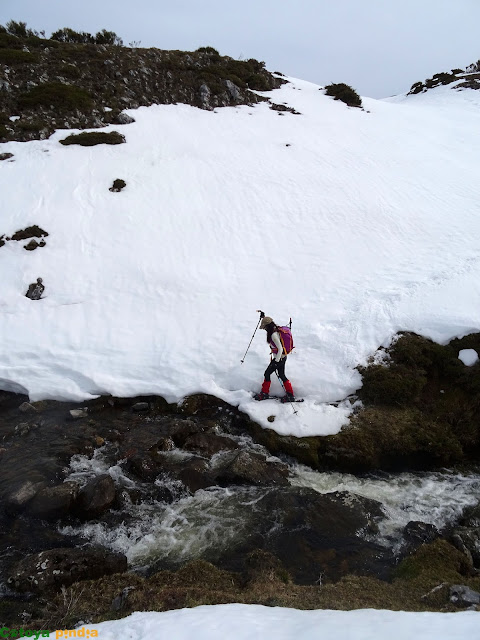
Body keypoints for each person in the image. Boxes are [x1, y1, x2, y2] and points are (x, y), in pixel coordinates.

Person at [256, 316, 295, 402]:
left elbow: (280, 349)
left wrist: (276, 362)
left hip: (279, 359)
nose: (265, 329)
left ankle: (264, 393)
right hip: (283, 357)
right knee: (281, 375)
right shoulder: (276, 329)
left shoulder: (273, 335)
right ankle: (290, 394)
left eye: (265, 327)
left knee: (267, 374)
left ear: (268, 326)